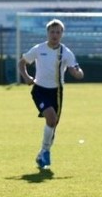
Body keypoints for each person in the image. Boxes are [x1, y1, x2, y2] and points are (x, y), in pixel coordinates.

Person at [18, 19, 84, 169]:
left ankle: (43, 152)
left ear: (62, 34)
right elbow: (21, 62)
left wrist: (77, 73)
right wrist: (27, 77)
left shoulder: (66, 52)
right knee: (51, 117)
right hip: (40, 90)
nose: (55, 35)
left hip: (57, 92)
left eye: (58, 32)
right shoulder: (39, 49)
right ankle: (46, 152)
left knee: (53, 124)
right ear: (47, 33)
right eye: (52, 32)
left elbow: (76, 70)